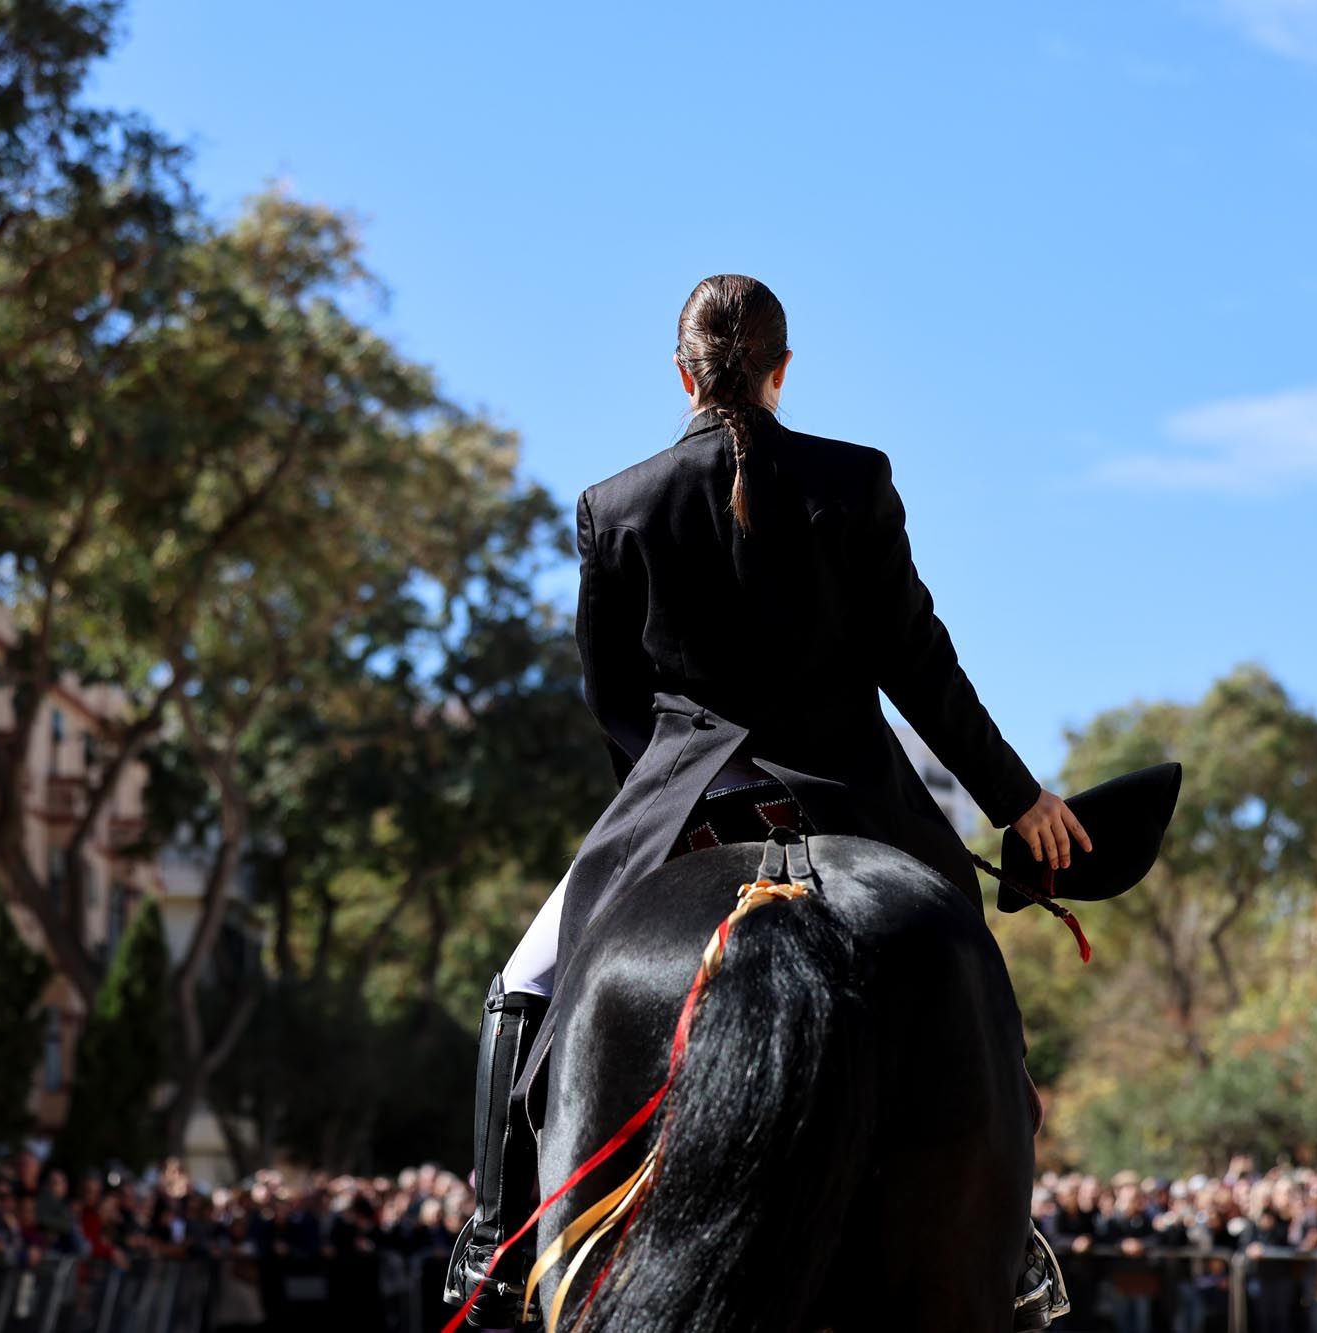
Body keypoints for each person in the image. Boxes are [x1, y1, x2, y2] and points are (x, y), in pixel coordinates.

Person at [444, 274, 1089, 1328]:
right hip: (860, 807)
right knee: (965, 979)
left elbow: (615, 704)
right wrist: (1016, 800)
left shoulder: (617, 505)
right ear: (782, 370)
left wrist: (661, 812)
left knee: (521, 984)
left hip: (680, 803)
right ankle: (1007, 1244)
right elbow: (920, 668)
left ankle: (491, 1239)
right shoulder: (855, 481)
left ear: (681, 373)